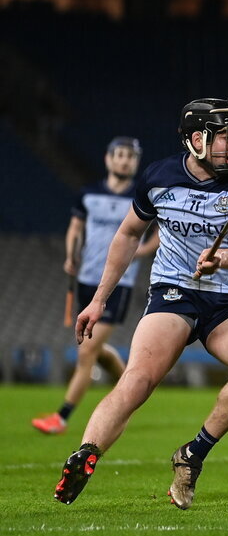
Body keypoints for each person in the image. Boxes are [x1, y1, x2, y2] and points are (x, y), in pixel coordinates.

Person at [54, 98, 228, 510]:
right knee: (138, 379)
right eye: (224, 136)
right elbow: (127, 235)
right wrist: (99, 299)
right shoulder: (158, 177)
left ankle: (193, 454)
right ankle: (86, 453)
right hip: (174, 291)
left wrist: (224, 258)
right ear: (196, 140)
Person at [32, 137, 159, 435]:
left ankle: (61, 417)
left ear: (136, 162)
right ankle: (129, 388)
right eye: (120, 155)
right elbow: (75, 228)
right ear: (108, 159)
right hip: (88, 280)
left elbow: (158, 232)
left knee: (86, 353)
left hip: (117, 285)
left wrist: (143, 250)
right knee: (97, 348)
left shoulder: (141, 196)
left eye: (131, 156)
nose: (125, 160)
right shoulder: (88, 195)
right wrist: (70, 256)